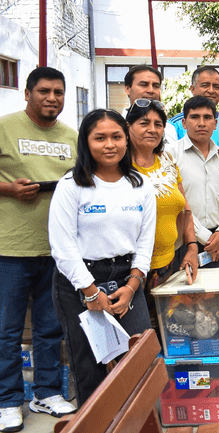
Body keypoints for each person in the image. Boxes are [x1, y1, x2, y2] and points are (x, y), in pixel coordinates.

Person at [48, 109, 155, 406]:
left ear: (126, 140)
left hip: (126, 280)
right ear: (86, 142)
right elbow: (62, 245)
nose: (110, 145)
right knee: (90, 366)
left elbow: (145, 242)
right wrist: (91, 292)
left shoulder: (141, 185)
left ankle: (135, 422)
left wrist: (133, 284)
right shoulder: (72, 185)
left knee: (138, 358)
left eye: (116, 137)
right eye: (100, 138)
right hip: (80, 283)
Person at [0, 67, 78, 427]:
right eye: (44, 91)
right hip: (10, 248)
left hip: (58, 251)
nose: (52, 98)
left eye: (58, 92)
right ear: (27, 93)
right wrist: (9, 189)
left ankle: (46, 393)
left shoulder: (72, 136)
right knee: (7, 330)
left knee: (50, 328)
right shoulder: (5, 127)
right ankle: (7, 400)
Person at [126, 99, 199, 297]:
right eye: (144, 123)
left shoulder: (167, 161)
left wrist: (192, 248)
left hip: (169, 264)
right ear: (128, 126)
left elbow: (186, 209)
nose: (152, 129)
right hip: (130, 271)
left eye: (158, 124)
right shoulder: (119, 168)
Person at [170, 96, 219, 269]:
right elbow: (176, 203)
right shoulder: (170, 155)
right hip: (185, 243)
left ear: (215, 124)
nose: (201, 123)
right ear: (184, 123)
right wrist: (205, 236)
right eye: (195, 117)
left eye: (207, 118)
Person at [168, 66, 219, 156]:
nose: (211, 90)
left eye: (216, 87)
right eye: (205, 85)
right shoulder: (173, 125)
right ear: (192, 89)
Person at [122, 65, 178, 145]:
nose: (151, 90)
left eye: (156, 86)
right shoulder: (115, 125)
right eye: (144, 85)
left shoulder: (169, 128)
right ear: (128, 89)